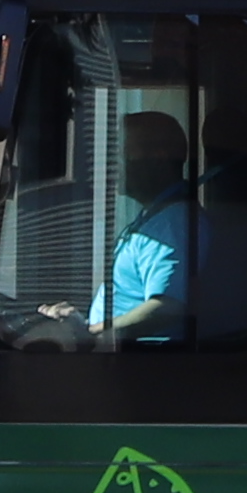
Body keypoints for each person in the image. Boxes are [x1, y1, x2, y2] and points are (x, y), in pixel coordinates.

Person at [96, 109, 197, 343]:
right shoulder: (155, 216)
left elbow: (166, 307)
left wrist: (91, 335)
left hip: (144, 366)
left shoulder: (175, 222)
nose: (114, 162)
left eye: (122, 151)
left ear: (158, 156)